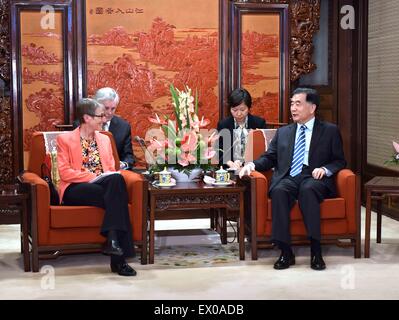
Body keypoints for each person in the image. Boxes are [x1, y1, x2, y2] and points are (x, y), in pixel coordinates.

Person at [239, 88, 346, 271]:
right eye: (291, 103)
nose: (293, 108)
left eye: (298, 103)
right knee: (279, 191)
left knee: (308, 190)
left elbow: (340, 160)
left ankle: (316, 251)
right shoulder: (284, 132)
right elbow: (270, 158)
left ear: (312, 108)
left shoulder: (330, 131)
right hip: (290, 176)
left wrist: (325, 169)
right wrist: (252, 165)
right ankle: (286, 252)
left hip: (314, 177)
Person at [57, 98, 136, 276]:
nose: (105, 119)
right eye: (100, 116)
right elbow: (65, 173)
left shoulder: (105, 139)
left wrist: (104, 176)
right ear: (87, 118)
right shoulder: (65, 139)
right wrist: (95, 177)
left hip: (103, 186)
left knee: (116, 182)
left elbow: (110, 169)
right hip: (75, 188)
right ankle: (120, 260)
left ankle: (114, 243)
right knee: (117, 195)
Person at [73, 87, 135, 170]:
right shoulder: (83, 124)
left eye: (113, 109)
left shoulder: (123, 126)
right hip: (88, 170)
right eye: (106, 108)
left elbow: (129, 156)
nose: (109, 112)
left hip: (114, 171)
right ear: (96, 106)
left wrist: (122, 164)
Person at [217, 88, 267, 169]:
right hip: (231, 168)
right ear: (230, 108)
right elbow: (220, 151)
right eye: (234, 110)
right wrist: (230, 163)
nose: (239, 113)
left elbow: (264, 151)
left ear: (249, 107)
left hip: (253, 168)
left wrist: (251, 165)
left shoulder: (259, 123)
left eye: (242, 110)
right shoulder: (224, 125)